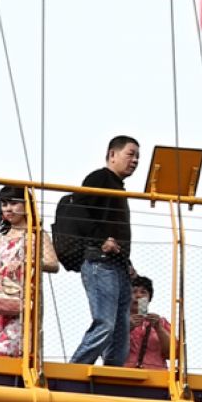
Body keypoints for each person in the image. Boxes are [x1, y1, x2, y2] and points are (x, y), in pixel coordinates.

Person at [69, 135, 141, 366]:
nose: (136, 160)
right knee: (105, 324)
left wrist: (127, 263)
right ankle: (76, 367)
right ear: (112, 154)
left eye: (138, 156)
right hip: (100, 262)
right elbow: (77, 210)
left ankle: (113, 376)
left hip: (117, 265)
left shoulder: (118, 186)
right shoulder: (100, 178)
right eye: (130, 154)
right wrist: (101, 240)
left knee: (120, 333)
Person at [0, 185, 59, 357]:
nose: (8, 209)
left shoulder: (37, 235)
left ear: (26, 206)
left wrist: (28, 262)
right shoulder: (1, 239)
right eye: (4, 204)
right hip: (0, 301)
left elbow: (53, 264)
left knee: (7, 349)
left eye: (13, 203)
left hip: (23, 300)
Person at [125, 277, 173, 370]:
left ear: (149, 298)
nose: (138, 295)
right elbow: (106, 351)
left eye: (143, 292)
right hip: (123, 375)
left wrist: (159, 328)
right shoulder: (117, 321)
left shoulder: (161, 322)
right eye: (134, 292)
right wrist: (126, 328)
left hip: (156, 378)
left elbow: (173, 353)